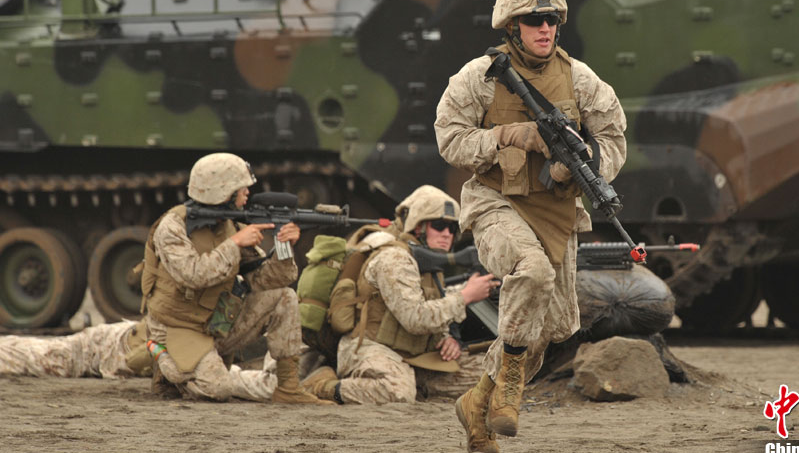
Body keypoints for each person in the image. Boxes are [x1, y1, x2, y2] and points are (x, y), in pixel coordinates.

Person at [434, 0, 627, 453]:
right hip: (496, 201)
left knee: (547, 332)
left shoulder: (581, 80)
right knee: (532, 271)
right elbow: (450, 140)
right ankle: (510, 388)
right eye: (533, 20)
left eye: (551, 20)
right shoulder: (479, 78)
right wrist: (507, 136)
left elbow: (613, 138)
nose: (544, 28)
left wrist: (581, 165)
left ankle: (478, 402)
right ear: (511, 26)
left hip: (556, 212)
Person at [141, 152, 330, 404]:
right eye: (241, 188)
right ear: (222, 192)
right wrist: (234, 244)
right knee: (218, 389)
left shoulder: (231, 224)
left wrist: (284, 246)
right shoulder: (173, 226)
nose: (247, 193)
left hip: (216, 322)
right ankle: (164, 358)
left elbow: (265, 281)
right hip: (177, 326)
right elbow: (192, 275)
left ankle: (288, 388)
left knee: (284, 297)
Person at [301, 185, 498, 410]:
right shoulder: (394, 258)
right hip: (370, 347)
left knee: (490, 377)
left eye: (452, 228)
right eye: (439, 225)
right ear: (417, 226)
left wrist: (447, 338)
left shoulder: (428, 260)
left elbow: (432, 302)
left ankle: (417, 384)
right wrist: (465, 296)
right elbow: (415, 318)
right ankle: (322, 386)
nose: (447, 234)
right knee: (398, 392)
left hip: (412, 353)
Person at [0, 320, 151, 379]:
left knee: (43, 353)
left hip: (113, 342)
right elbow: (132, 361)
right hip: (101, 349)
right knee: (39, 357)